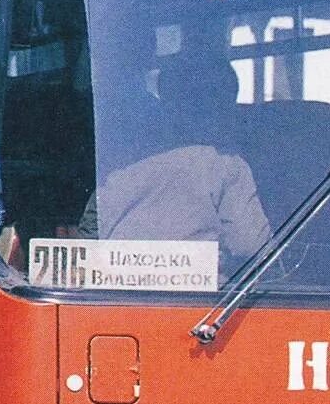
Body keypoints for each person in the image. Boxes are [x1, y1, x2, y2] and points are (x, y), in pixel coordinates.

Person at [80, 49, 270, 276]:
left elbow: (89, 236)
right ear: (228, 105)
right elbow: (251, 245)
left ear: (166, 99)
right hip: (203, 302)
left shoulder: (124, 161)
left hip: (108, 299)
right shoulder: (227, 165)